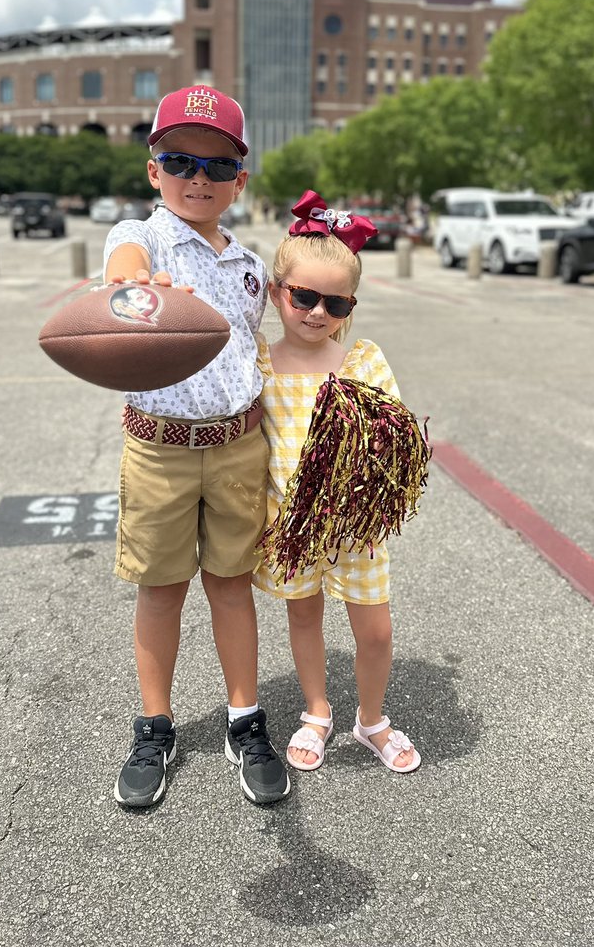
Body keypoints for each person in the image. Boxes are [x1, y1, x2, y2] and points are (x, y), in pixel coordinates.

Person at [102, 84, 290, 808]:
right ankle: (155, 724)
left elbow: (261, 345)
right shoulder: (143, 239)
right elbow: (121, 270)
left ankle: (245, 718)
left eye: (217, 167)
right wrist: (131, 285)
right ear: (154, 169)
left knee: (232, 583)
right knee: (160, 586)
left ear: (240, 182)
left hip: (240, 445)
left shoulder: (248, 267)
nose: (198, 179)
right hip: (161, 448)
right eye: (180, 160)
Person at [252, 191, 422, 774]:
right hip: (292, 526)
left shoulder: (361, 362)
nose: (317, 312)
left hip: (357, 527)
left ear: (350, 307)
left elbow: (392, 434)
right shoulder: (260, 363)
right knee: (303, 616)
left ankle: (371, 718)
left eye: (335, 302)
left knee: (374, 629)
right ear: (278, 292)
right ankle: (318, 710)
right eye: (303, 296)